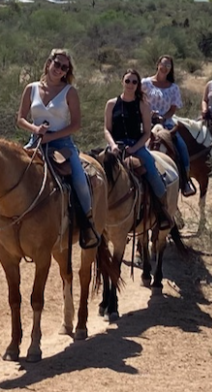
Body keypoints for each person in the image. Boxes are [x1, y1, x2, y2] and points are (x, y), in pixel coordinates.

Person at [17, 49, 100, 249]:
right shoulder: (31, 88)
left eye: (65, 67)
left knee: (80, 181)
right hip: (35, 141)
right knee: (16, 173)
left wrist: (52, 136)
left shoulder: (69, 92)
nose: (60, 69)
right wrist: (36, 129)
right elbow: (20, 119)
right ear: (48, 63)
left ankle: (87, 224)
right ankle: (1, 215)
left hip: (62, 144)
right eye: (57, 64)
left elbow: (76, 125)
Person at [104, 69, 174, 230]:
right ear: (122, 82)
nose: (130, 84)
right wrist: (113, 145)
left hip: (137, 146)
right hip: (115, 147)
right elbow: (107, 129)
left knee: (154, 176)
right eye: (127, 81)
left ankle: (162, 212)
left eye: (134, 82)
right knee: (97, 176)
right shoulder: (111, 104)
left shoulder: (143, 104)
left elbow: (147, 132)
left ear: (138, 85)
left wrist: (135, 147)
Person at [141, 55, 196, 196]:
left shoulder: (173, 88)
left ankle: (185, 180)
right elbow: (137, 102)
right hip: (145, 121)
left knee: (181, 146)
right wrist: (148, 113)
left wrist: (163, 117)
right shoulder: (145, 83)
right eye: (163, 64)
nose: (165, 68)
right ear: (158, 64)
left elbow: (173, 109)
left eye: (168, 66)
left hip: (166, 123)